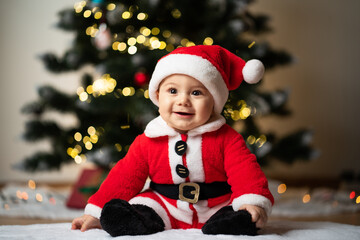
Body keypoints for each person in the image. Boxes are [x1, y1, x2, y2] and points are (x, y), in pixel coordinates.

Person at [71, 45, 274, 236]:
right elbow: (125, 176)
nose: (183, 100)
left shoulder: (226, 138)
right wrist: (95, 212)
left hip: (216, 204)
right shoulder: (148, 140)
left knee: (237, 212)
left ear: (213, 101)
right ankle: (129, 220)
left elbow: (245, 171)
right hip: (165, 203)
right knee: (141, 208)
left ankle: (239, 221)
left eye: (196, 93)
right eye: (172, 91)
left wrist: (252, 201)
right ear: (158, 96)